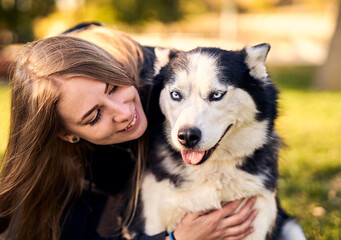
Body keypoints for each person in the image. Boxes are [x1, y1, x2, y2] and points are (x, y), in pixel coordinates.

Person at [0, 26, 257, 240]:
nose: (123, 112)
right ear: (67, 134)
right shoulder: (55, 165)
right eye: (95, 115)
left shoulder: (176, 80)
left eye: (112, 88)